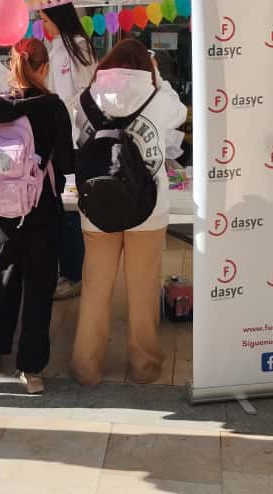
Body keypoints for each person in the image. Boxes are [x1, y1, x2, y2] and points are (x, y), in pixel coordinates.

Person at [69, 38, 187, 387]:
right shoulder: (161, 99)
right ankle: (143, 367)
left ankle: (86, 368)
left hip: (97, 208)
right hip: (147, 210)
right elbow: (180, 113)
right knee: (143, 290)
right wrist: (159, 79)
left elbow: (79, 142)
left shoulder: (85, 99)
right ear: (147, 67)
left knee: (95, 289)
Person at [0, 38, 74, 394]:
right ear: (44, 67)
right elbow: (66, 163)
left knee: (5, 275)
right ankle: (31, 369)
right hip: (41, 208)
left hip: (2, 207)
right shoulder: (53, 107)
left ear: (12, 66)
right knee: (39, 285)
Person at [39, 4, 97, 301]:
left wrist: (63, 108)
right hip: (59, 136)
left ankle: (75, 274)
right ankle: (69, 269)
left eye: (46, 20)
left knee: (71, 207)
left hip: (76, 138)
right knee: (63, 206)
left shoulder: (78, 47)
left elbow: (88, 91)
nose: (43, 26)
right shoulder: (55, 47)